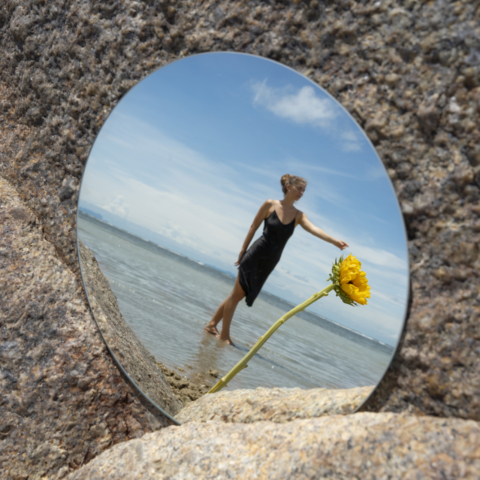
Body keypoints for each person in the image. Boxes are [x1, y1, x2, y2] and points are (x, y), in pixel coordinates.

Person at [204, 174, 349, 345]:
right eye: (299, 188)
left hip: (269, 261)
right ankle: (224, 336)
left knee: (238, 294)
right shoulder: (270, 204)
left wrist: (334, 241)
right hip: (255, 255)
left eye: (303, 190)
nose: (301, 193)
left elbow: (314, 229)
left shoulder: (298, 216)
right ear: (289, 186)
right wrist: (242, 251)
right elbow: (253, 226)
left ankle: (212, 325)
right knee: (237, 294)